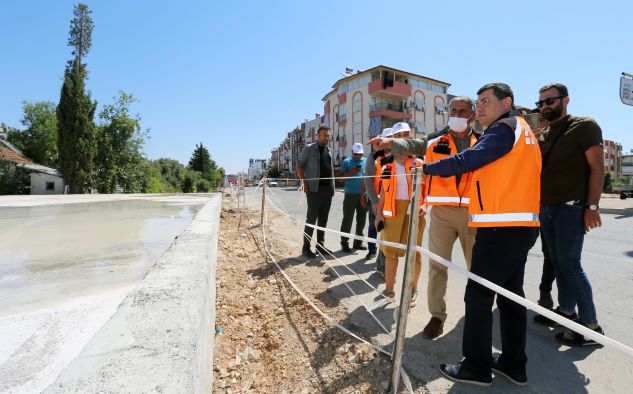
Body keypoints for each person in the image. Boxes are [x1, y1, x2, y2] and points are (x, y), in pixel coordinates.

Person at [383, 83, 540, 386]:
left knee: (478, 297)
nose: (479, 108)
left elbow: (468, 160)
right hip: (518, 225)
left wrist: (425, 171)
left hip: (501, 227)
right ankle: (512, 363)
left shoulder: (502, 129)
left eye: (485, 102)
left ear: (506, 102)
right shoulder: (520, 128)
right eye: (478, 102)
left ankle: (476, 367)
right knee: (510, 297)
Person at [532, 83, 605, 346]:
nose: (544, 106)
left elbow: (597, 168)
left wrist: (592, 207)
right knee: (557, 261)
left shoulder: (584, 125)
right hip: (547, 208)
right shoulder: (545, 131)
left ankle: (590, 326)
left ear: (566, 100)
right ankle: (565, 311)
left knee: (570, 264)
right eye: (540, 103)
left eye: (550, 101)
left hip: (571, 207)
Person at [421, 96, 479, 340]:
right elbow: (425, 176)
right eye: (453, 110)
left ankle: (476, 314)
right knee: (437, 265)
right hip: (442, 213)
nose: (457, 114)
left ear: (472, 115)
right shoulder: (435, 143)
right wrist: (422, 203)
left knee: (476, 268)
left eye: (462, 111)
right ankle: (436, 315)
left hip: (474, 213)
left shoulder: (484, 142)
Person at [373, 122, 426, 306]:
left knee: (415, 253)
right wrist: (379, 214)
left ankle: (412, 289)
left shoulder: (420, 163)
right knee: (390, 253)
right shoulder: (384, 165)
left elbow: (429, 190)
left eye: (407, 134)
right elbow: (383, 192)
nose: (405, 138)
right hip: (392, 212)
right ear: (393, 140)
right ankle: (389, 290)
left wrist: (425, 205)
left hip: (415, 212)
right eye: (400, 135)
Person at [296, 126, 335, 258]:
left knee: (323, 220)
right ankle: (306, 248)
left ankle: (320, 246)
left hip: (327, 190)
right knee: (312, 219)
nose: (327, 137)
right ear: (317, 136)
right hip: (313, 189)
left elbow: (330, 171)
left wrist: (332, 187)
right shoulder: (308, 149)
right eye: (324, 135)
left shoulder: (329, 151)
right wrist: (304, 182)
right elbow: (299, 165)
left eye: (328, 135)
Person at [363, 128, 393, 277]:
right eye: (385, 139)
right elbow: (367, 180)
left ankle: (382, 265)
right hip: (376, 200)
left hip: (392, 201)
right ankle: (373, 253)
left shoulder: (399, 155)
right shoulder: (374, 157)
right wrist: (375, 201)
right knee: (376, 227)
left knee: (387, 234)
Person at [339, 142, 368, 253]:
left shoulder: (366, 161)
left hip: (363, 195)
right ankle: (344, 243)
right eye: (356, 154)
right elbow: (340, 180)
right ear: (352, 152)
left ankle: (358, 243)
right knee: (347, 220)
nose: (358, 156)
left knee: (361, 220)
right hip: (350, 195)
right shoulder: (346, 162)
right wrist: (351, 172)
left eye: (360, 154)